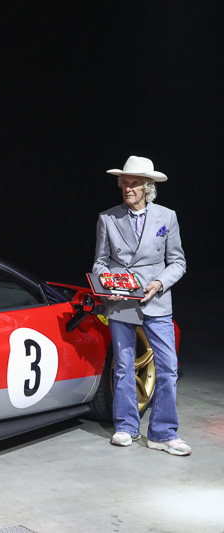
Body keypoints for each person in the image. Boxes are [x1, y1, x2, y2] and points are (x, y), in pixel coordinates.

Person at [92, 155, 190, 455]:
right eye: (125, 184)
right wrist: (109, 283)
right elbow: (99, 262)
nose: (128, 189)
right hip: (122, 304)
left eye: (134, 184)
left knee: (168, 368)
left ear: (148, 188)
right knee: (122, 367)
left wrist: (159, 283)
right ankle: (125, 427)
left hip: (157, 302)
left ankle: (162, 433)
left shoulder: (167, 217)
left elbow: (178, 262)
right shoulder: (108, 218)